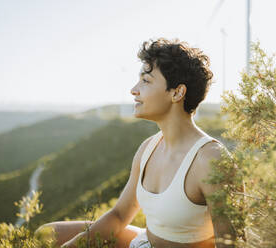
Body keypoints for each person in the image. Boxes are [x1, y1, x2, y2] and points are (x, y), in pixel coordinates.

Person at [36, 38, 235, 248]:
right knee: (47, 234)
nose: (134, 90)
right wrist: (73, 246)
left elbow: (231, 241)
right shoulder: (148, 148)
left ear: (177, 92)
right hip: (143, 242)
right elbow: (120, 214)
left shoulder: (212, 159)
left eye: (146, 81)